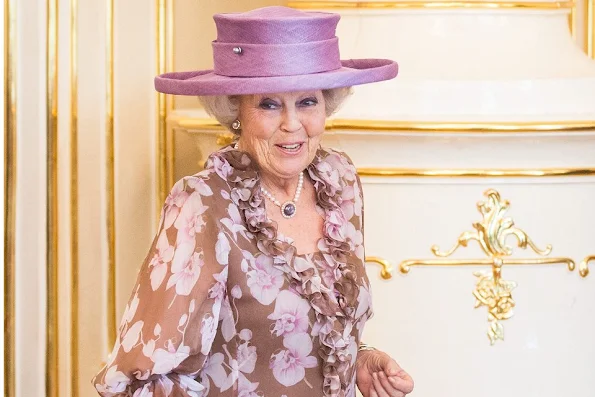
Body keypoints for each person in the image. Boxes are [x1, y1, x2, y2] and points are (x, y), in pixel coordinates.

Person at [92, 6, 413, 397]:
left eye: (307, 101)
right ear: (236, 110)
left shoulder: (339, 181)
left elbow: (317, 326)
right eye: (269, 104)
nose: (292, 124)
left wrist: (359, 359)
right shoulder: (204, 203)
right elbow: (146, 376)